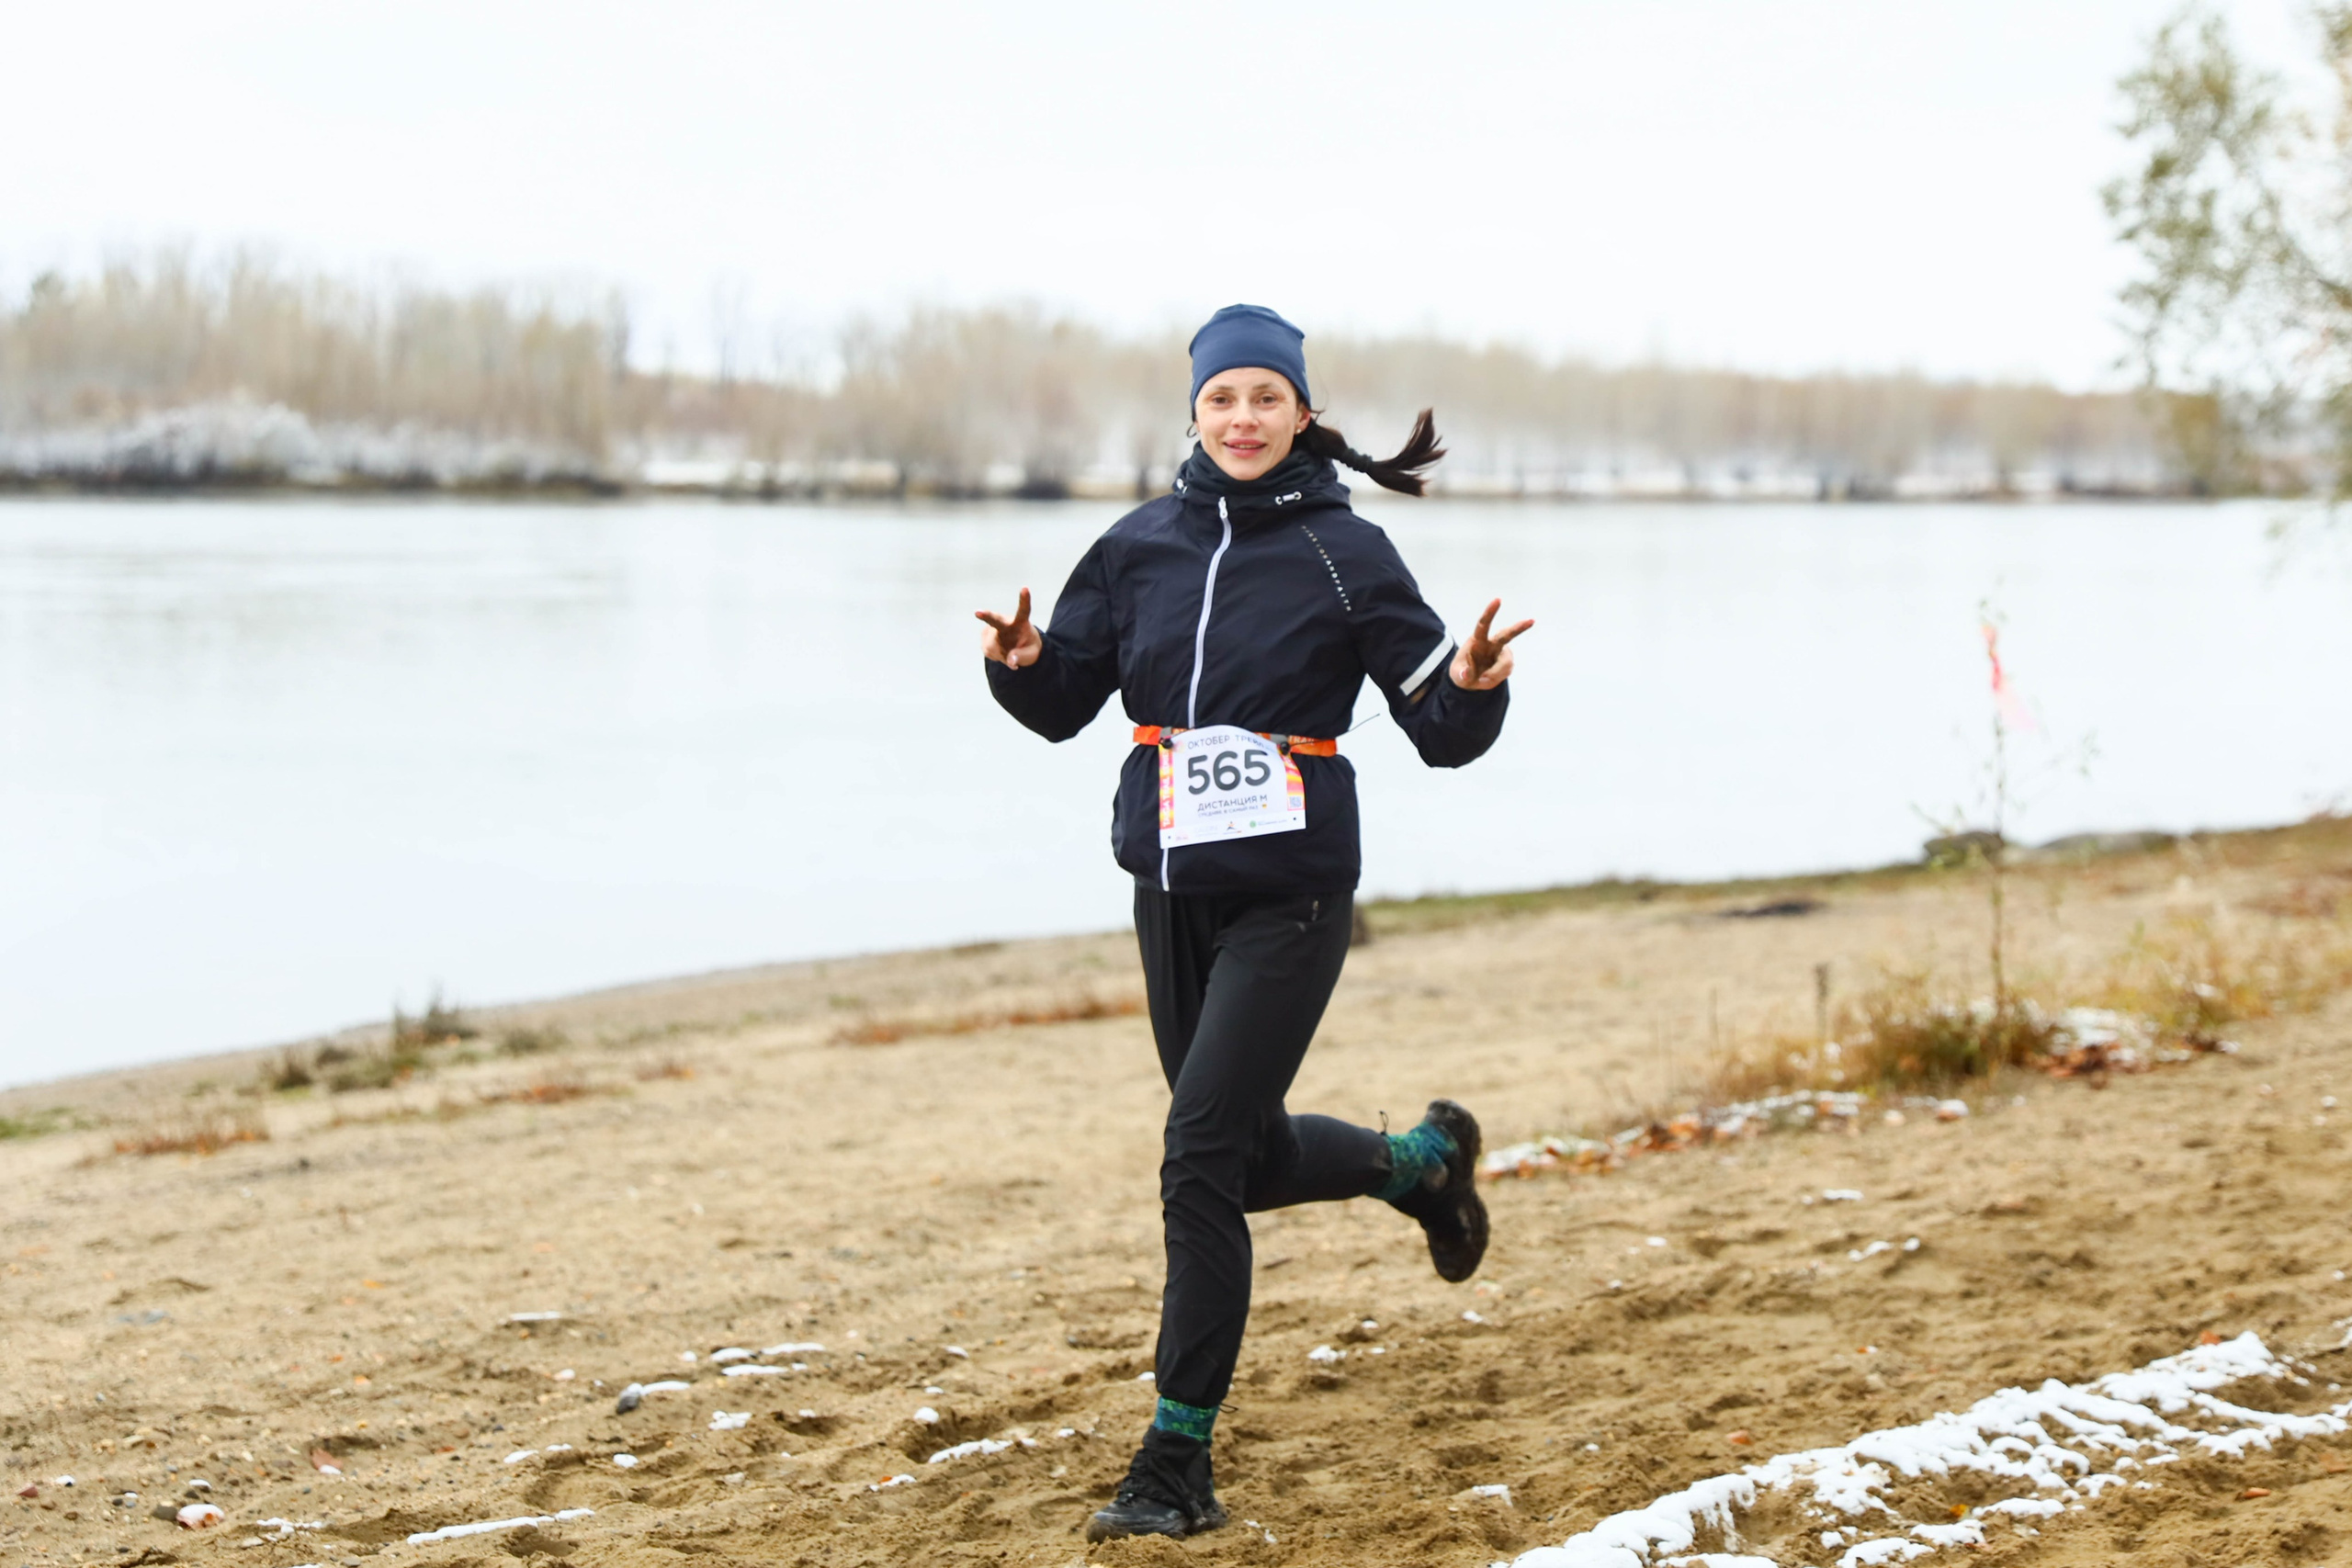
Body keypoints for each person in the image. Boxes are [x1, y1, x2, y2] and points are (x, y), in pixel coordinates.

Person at [976, 303, 1531, 1543]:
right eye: (1222, 399)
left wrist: (1479, 687)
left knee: (1193, 1164)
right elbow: (1067, 701)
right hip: (1170, 890)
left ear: (1301, 413)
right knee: (1241, 1159)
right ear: (1193, 413)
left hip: (1294, 892)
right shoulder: (1133, 550)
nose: (1242, 419)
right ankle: (1422, 1168)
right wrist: (1019, 667)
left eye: (1265, 400)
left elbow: (1436, 727)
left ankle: (1175, 1459)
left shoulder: (1351, 553)